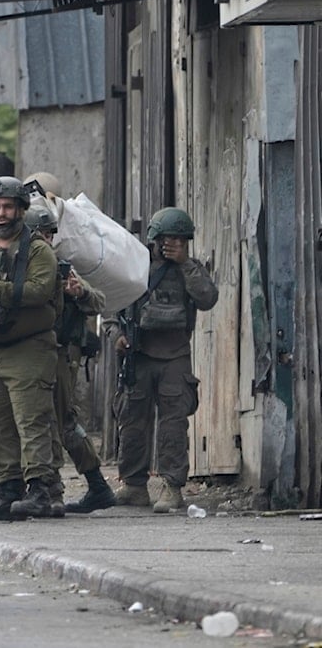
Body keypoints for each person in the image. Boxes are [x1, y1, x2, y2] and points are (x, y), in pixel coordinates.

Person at [109, 207, 218, 513]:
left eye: (180, 240)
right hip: (139, 354)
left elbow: (208, 298)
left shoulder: (189, 269)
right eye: (167, 239)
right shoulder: (135, 266)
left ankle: (172, 487)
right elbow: (110, 304)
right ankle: (133, 485)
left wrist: (184, 263)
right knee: (131, 420)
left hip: (174, 356)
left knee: (172, 424)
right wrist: (116, 335)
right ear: (154, 239)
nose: (172, 244)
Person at [0, 176, 62, 521]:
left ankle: (40, 489)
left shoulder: (37, 249)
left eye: (8, 206)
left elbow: (39, 290)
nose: (1, 214)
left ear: (21, 209)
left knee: (31, 420)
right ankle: (5, 487)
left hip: (28, 346)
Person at [23, 201, 116, 515]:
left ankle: (74, 486)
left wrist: (79, 292)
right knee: (43, 421)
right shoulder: (19, 264)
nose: (43, 240)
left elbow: (99, 301)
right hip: (32, 353)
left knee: (60, 421)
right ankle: (58, 487)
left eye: (48, 234)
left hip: (62, 354)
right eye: (37, 234)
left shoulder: (62, 267)